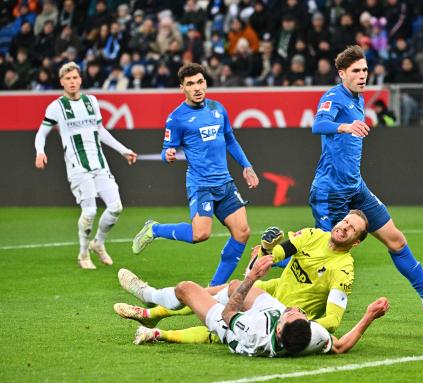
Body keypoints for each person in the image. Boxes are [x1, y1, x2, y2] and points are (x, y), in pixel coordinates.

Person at [306, 45, 423, 315]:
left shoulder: (358, 98)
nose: (362, 75)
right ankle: (265, 263)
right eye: (356, 71)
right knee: (319, 255)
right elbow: (317, 125)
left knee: (396, 240)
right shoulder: (333, 97)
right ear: (342, 73)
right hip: (330, 191)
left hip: (355, 187)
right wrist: (345, 126)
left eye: (365, 70)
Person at [115, 210, 369, 343]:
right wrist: (269, 246)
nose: (344, 227)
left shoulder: (344, 269)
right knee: (212, 295)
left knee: (224, 330)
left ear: (356, 242)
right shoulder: (315, 235)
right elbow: (276, 255)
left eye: (351, 229)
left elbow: (334, 320)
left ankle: (157, 332)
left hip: (285, 314)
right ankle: (150, 312)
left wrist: (300, 328)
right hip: (271, 289)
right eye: (345, 222)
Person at [131, 63, 259, 287]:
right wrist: (168, 155)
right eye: (190, 84)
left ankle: (212, 289)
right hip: (201, 185)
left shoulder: (218, 109)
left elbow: (230, 139)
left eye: (200, 82)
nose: (197, 88)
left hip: (225, 183)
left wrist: (246, 166)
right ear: (182, 88)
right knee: (200, 235)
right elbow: (166, 150)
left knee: (242, 232)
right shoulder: (176, 118)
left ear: (206, 83)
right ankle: (154, 229)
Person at [116, 256, 389, 356]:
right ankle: (153, 315)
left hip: (233, 328)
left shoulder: (252, 329)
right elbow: (341, 346)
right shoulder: (310, 337)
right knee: (235, 286)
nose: (295, 309)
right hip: (269, 317)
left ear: (281, 329)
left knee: (187, 289)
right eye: (300, 315)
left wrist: (253, 277)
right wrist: (369, 317)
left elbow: (229, 312)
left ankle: (150, 296)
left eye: (291, 314)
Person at [34, 62, 138, 269]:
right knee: (89, 212)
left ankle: (98, 243)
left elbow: (100, 131)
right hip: (77, 166)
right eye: (67, 79)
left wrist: (123, 150)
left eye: (75, 78)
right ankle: (83, 254)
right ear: (61, 82)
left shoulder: (92, 101)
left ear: (80, 79)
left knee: (116, 207)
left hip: (100, 164)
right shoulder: (56, 106)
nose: (72, 82)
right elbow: (42, 132)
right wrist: (40, 150)